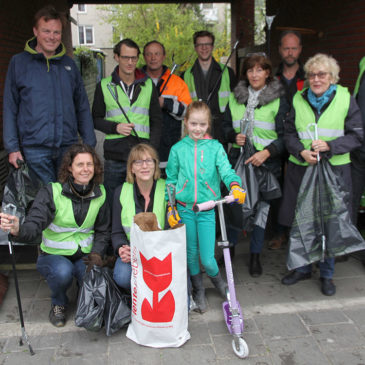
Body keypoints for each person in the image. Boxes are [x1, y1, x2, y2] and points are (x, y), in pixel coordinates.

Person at [279, 53, 363, 296]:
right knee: (302, 219)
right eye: (312, 75)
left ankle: (327, 274)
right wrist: (300, 151)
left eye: (322, 75)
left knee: (330, 221)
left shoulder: (346, 99)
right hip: (302, 168)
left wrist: (330, 146)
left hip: (334, 170)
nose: (316, 79)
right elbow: (289, 134)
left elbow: (357, 136)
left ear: (332, 77)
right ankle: (302, 268)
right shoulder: (298, 98)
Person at [0, 143, 110, 327]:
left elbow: (103, 230)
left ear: (95, 167)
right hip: (54, 255)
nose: (85, 169)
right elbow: (35, 223)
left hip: (85, 254)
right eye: (79, 164)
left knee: (92, 273)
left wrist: (97, 253)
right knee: (62, 272)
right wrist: (19, 230)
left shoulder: (101, 193)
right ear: (69, 167)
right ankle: (58, 302)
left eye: (89, 164)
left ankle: (84, 296)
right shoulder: (52, 192)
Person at [165, 101, 246, 313]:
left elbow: (227, 171)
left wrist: (234, 185)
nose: (197, 129)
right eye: (193, 124)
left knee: (208, 258)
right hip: (184, 209)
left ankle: (219, 283)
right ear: (185, 123)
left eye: (202, 124)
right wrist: (170, 206)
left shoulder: (216, 148)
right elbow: (171, 179)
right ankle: (198, 289)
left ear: (208, 124)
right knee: (191, 254)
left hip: (207, 209)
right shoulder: (177, 149)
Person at [3, 5, 96, 184]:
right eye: (46, 31)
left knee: (67, 200)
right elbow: (10, 107)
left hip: (67, 148)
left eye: (56, 32)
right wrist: (12, 147)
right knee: (42, 202)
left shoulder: (69, 66)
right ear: (35, 31)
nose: (51, 37)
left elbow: (82, 107)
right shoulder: (19, 63)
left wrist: (89, 144)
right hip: (34, 149)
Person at [222, 53, 288, 277]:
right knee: (234, 206)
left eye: (260, 69)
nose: (254, 74)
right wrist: (233, 136)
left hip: (265, 164)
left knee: (261, 210)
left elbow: (286, 135)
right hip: (237, 161)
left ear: (267, 72)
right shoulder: (234, 97)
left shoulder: (278, 99)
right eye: (250, 70)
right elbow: (223, 127)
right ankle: (229, 250)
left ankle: (255, 255)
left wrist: (268, 152)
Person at [92, 38, 162, 208]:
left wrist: (151, 151)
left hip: (142, 157)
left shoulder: (148, 86)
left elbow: (157, 122)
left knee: (141, 203)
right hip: (115, 156)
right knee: (112, 203)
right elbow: (95, 119)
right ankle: (112, 234)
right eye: (125, 57)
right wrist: (115, 127)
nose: (130, 62)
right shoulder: (104, 86)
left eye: (134, 58)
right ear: (116, 57)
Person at [112, 143, 166, 291]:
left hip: (161, 252)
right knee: (122, 276)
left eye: (149, 161)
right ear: (131, 168)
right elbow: (116, 231)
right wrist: (121, 248)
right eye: (138, 162)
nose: (144, 166)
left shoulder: (168, 189)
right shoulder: (120, 192)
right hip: (133, 252)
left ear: (155, 165)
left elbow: (173, 230)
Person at [269, 30, 305, 250]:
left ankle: (299, 232)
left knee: (300, 189)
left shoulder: (310, 77)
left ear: (300, 50)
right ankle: (279, 232)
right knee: (278, 189)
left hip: (302, 144)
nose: (290, 52)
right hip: (277, 141)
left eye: (294, 48)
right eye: (286, 48)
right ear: (280, 50)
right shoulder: (273, 79)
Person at [142, 40, 192, 171]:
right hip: (142, 148)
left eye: (157, 54)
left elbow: (187, 112)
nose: (153, 58)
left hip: (169, 150)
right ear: (144, 57)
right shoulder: (137, 81)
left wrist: (166, 103)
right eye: (149, 54)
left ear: (163, 56)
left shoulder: (177, 83)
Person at [182, 31, 237, 146]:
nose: (204, 48)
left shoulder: (228, 72)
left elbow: (236, 104)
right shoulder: (185, 75)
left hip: (221, 131)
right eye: (200, 45)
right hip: (196, 132)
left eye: (207, 44)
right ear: (195, 48)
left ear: (212, 46)